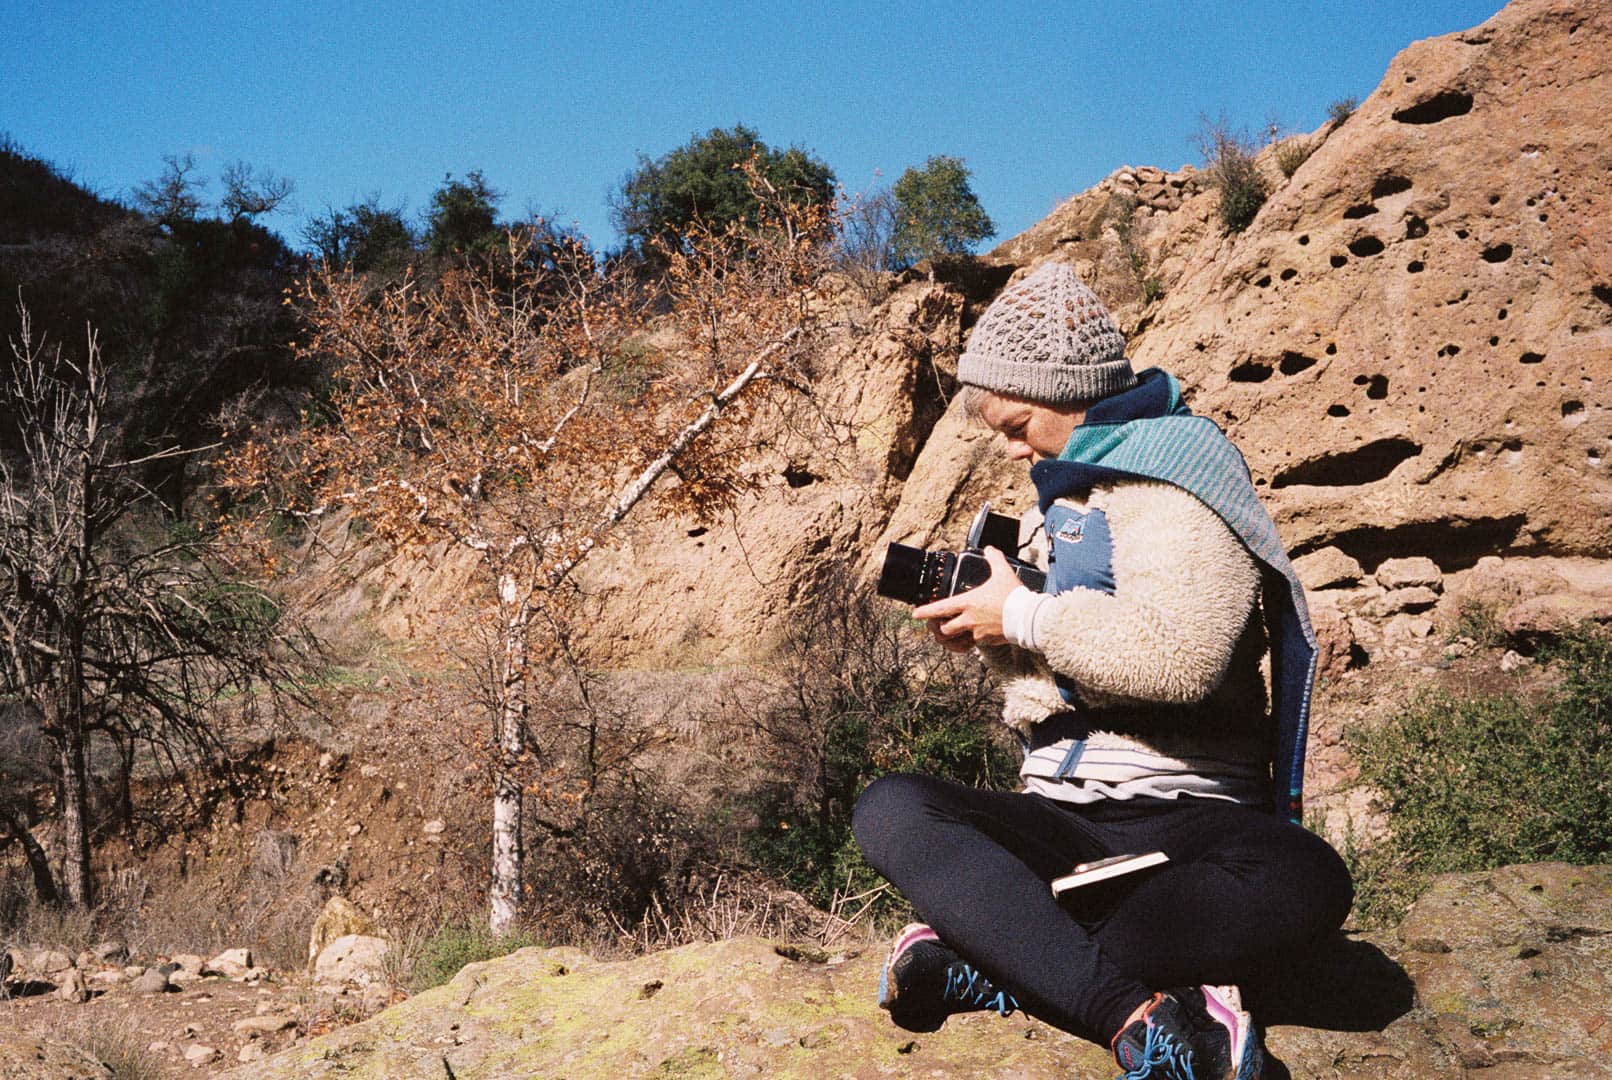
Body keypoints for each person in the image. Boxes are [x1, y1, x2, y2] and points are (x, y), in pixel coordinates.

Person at [853, 262, 1353, 1080]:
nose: (1013, 449)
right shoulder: (1069, 502)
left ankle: (1011, 956)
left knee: (1306, 882)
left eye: (1017, 424)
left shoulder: (1173, 486)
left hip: (1188, 819)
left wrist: (1022, 615)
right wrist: (997, 637)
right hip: (1064, 815)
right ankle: (1139, 1017)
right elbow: (1071, 669)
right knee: (891, 807)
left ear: (1070, 389)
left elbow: (1180, 660)